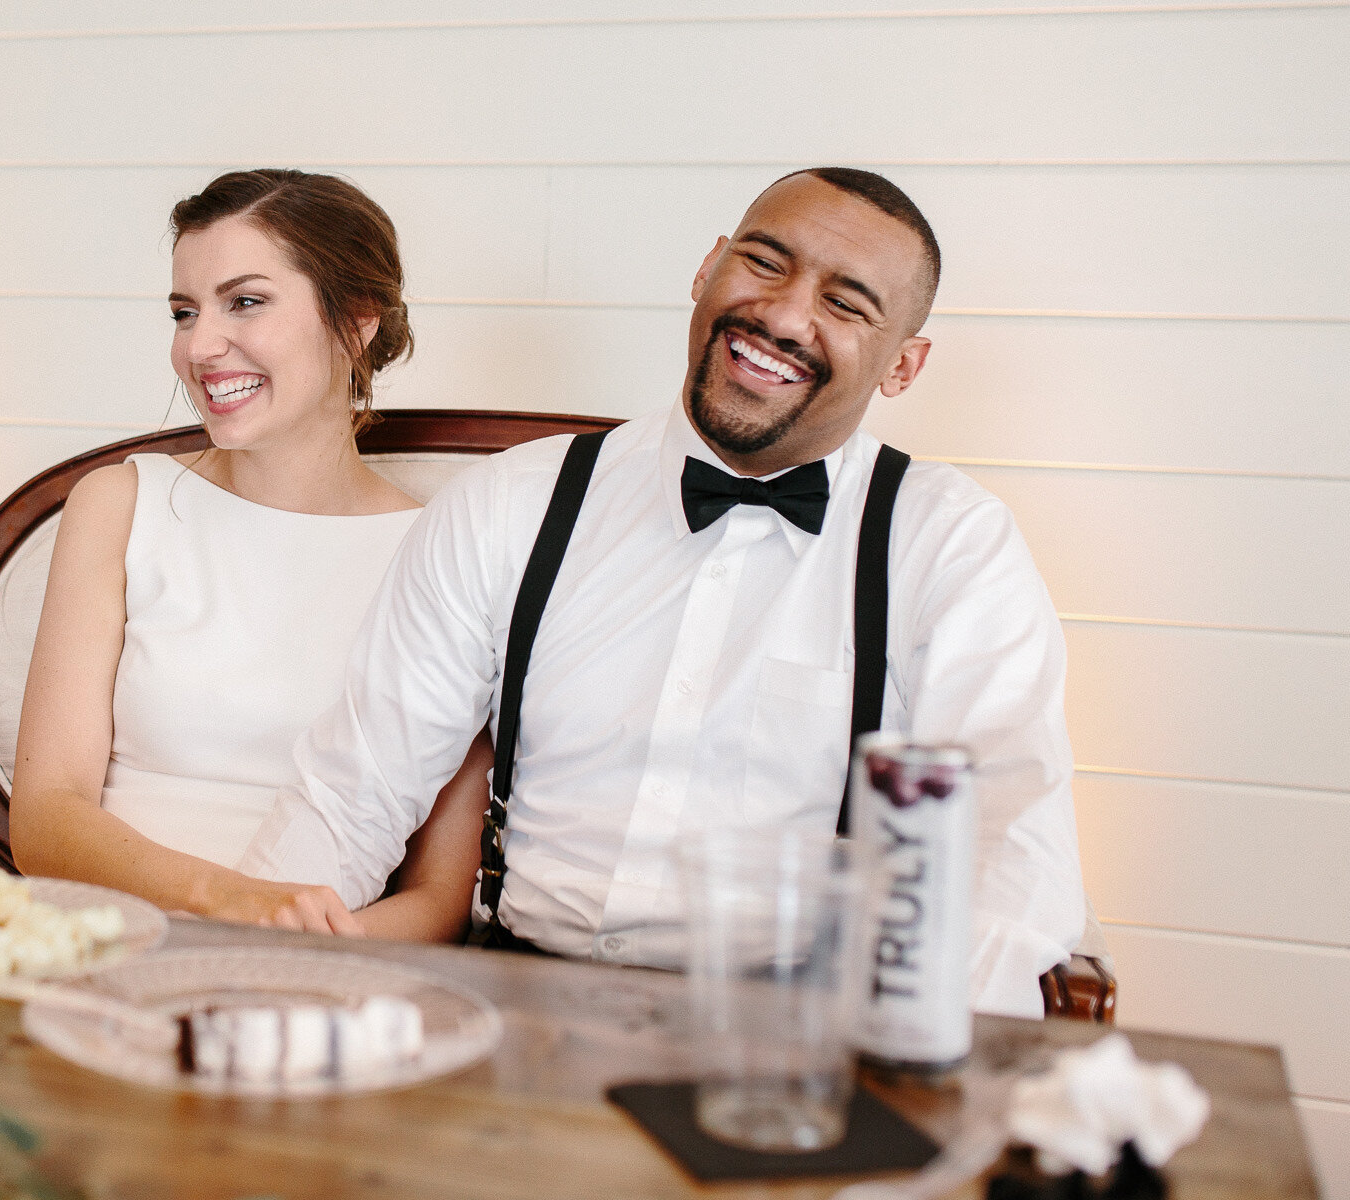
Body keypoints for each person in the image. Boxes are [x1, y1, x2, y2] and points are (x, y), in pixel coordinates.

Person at [242, 167, 1088, 1017]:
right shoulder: (508, 506)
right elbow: (354, 792)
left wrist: (924, 1075)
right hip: (511, 1015)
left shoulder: (950, 545)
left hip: (794, 1048)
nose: (785, 315)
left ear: (903, 365)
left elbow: (1011, 857)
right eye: (764, 261)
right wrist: (231, 976)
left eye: (846, 303)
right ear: (708, 267)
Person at [11, 169, 489, 940]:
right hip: (108, 942)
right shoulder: (121, 505)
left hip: (321, 975)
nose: (199, 346)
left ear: (356, 320)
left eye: (246, 301)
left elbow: (440, 895)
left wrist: (301, 953)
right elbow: (44, 818)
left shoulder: (442, 554)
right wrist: (229, 901)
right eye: (183, 311)